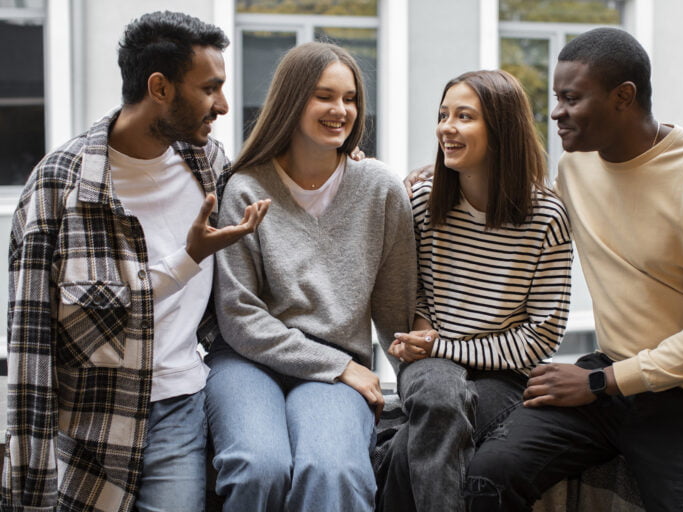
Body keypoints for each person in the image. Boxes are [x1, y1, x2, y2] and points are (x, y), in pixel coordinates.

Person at [455, 28, 683, 511]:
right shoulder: (574, 169)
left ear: (623, 97)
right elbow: (511, 204)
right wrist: (422, 173)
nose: (556, 113)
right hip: (610, 382)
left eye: (571, 98)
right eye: (557, 98)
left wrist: (599, 382)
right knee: (486, 479)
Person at [2, 11, 270, 512]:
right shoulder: (58, 186)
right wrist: (30, 484)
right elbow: (30, 347)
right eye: (210, 88)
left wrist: (347, 161)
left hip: (180, 406)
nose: (224, 105)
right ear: (160, 87)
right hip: (89, 428)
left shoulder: (207, 162)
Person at [204, 41, 417, 512]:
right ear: (292, 100)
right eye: (324, 96)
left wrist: (415, 389)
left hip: (336, 365)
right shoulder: (246, 188)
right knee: (259, 466)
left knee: (333, 470)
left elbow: (396, 307)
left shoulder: (379, 187)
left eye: (350, 98)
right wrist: (340, 367)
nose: (340, 110)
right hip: (247, 360)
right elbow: (239, 316)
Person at [376, 70, 572, 512]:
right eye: (443, 114)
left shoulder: (547, 217)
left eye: (464, 116)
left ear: (501, 129)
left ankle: (387, 450)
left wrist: (446, 345)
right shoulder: (424, 200)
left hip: (503, 376)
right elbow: (416, 292)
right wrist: (432, 342)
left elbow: (541, 337)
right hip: (430, 361)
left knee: (412, 442)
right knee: (440, 398)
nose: (447, 127)